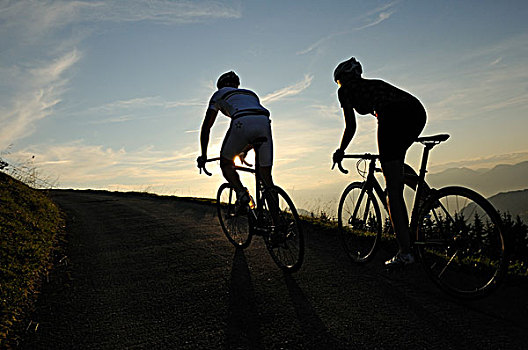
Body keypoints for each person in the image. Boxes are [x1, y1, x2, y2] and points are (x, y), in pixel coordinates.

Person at [332, 57, 426, 268]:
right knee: (395, 161)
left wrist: (341, 150)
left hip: (392, 115)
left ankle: (405, 252)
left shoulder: (346, 90)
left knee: (393, 191)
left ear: (342, 78)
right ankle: (425, 195)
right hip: (417, 111)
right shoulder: (372, 83)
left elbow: (350, 126)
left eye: (339, 82)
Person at [197, 71, 274, 209]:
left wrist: (203, 155)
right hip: (264, 121)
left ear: (220, 86)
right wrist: (244, 150)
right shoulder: (250, 94)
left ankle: (242, 194)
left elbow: (206, 128)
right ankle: (279, 223)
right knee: (267, 179)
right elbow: (254, 128)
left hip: (241, 121)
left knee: (226, 164)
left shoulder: (218, 94)